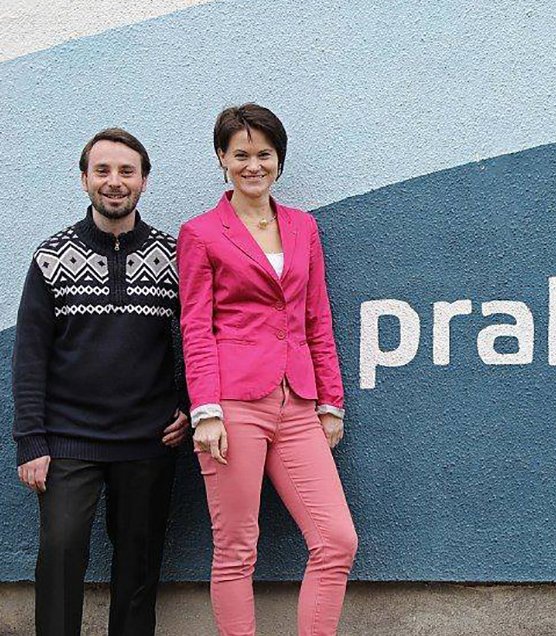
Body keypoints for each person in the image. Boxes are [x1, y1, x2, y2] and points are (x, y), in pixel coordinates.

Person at [178, 103, 357, 635]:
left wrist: (331, 401)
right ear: (222, 159)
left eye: (264, 154)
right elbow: (196, 327)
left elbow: (316, 316)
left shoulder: (303, 227)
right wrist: (205, 411)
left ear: (279, 158)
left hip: (298, 403)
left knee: (337, 540)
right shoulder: (201, 233)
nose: (253, 165)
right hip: (233, 406)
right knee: (236, 548)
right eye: (241, 155)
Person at [11, 128, 189, 636]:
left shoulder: (174, 257)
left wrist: (190, 405)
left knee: (138, 569)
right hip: (69, 439)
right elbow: (30, 356)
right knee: (60, 556)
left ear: (144, 181)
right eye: (103, 170)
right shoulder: (51, 257)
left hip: (149, 441)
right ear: (84, 179)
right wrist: (30, 441)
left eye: (127, 171)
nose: (115, 181)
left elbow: (200, 338)